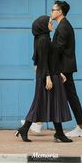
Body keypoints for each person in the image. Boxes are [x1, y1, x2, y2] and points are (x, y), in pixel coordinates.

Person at [15, 15, 73, 143]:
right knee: (44, 102)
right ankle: (58, 133)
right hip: (47, 76)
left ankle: (57, 133)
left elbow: (47, 59)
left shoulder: (43, 38)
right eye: (49, 22)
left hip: (52, 74)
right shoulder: (43, 40)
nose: (52, 24)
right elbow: (42, 61)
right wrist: (48, 78)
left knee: (50, 103)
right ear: (43, 26)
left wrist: (59, 73)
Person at [51, 0, 82, 138]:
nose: (51, 12)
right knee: (68, 96)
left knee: (70, 96)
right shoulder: (63, 25)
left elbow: (58, 49)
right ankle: (81, 126)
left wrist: (57, 69)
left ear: (60, 11)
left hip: (64, 69)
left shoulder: (63, 27)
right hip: (64, 68)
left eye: (53, 9)